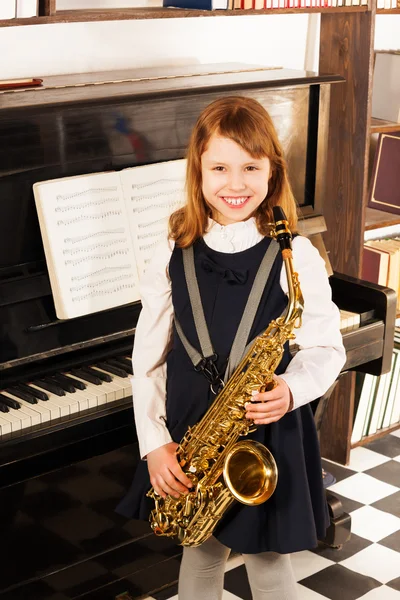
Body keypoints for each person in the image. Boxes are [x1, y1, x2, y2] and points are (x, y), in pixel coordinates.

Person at [117, 96, 346, 600]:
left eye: (250, 167)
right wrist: (154, 442)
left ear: (273, 171)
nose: (235, 183)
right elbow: (148, 358)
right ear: (197, 171)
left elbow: (327, 347)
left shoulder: (296, 253)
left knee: (267, 560)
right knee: (199, 554)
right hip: (192, 428)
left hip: (266, 428)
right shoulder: (170, 250)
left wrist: (291, 388)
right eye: (219, 167)